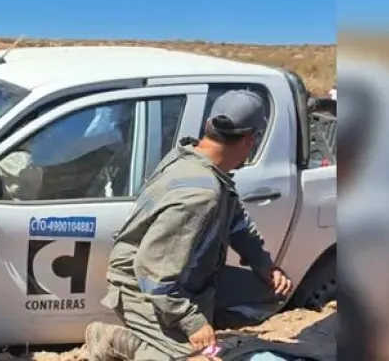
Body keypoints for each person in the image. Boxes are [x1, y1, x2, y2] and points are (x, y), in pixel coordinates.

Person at [85, 89, 293, 360]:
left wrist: (264, 265)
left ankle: (180, 338)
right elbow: (153, 275)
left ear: (209, 126)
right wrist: (191, 321)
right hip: (141, 287)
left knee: (272, 293)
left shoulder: (196, 159)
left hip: (189, 278)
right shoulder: (200, 194)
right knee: (198, 358)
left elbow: (236, 221)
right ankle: (118, 340)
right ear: (250, 139)